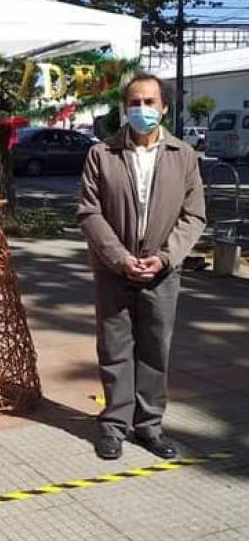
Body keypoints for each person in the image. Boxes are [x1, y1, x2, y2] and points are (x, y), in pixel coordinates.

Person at [78, 73, 206, 461]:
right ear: (124, 108)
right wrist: (119, 258)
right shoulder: (102, 154)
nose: (142, 110)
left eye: (150, 103)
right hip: (113, 269)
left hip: (163, 271)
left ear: (164, 107)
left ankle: (149, 426)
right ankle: (114, 426)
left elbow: (194, 215)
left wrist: (165, 257)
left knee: (154, 349)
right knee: (115, 348)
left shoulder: (182, 156)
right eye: (134, 103)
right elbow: (89, 211)